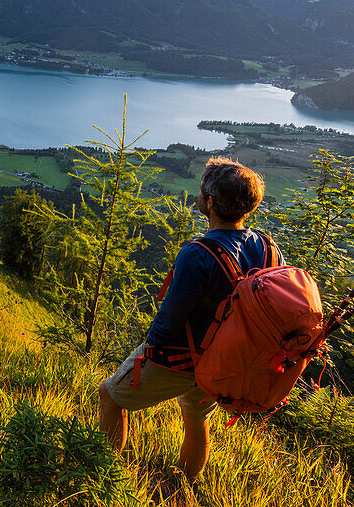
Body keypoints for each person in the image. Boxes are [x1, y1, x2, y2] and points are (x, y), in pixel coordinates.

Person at [97, 157, 271, 483]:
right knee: (195, 418)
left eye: (203, 189)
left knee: (110, 397)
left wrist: (150, 352)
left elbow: (169, 321)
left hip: (181, 359)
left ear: (211, 202)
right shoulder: (266, 245)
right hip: (226, 363)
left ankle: (101, 477)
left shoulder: (198, 253)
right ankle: (182, 487)